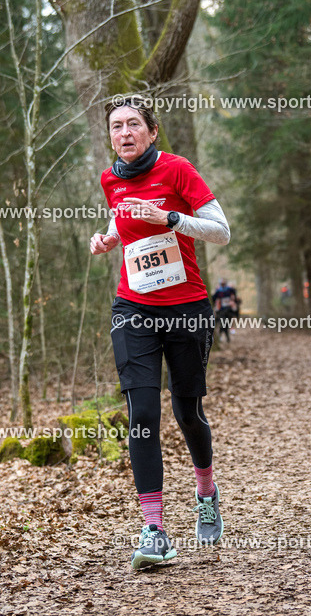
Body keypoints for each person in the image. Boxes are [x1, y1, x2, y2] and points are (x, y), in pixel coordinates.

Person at [89, 95, 231, 570]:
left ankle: (206, 492)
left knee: (188, 412)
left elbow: (221, 231)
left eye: (133, 125)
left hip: (187, 307)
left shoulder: (177, 170)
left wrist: (170, 219)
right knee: (142, 413)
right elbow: (121, 215)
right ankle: (154, 531)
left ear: (152, 131)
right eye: (115, 127)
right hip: (134, 309)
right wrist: (108, 237)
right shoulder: (112, 178)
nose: (124, 133)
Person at [211, 278, 239, 343]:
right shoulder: (218, 291)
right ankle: (224, 337)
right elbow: (213, 298)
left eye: (224, 283)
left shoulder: (229, 289)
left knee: (226, 324)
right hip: (221, 310)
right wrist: (216, 304)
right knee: (223, 323)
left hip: (228, 309)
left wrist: (233, 300)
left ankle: (225, 337)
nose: (223, 284)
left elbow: (234, 292)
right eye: (222, 283)